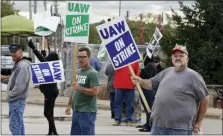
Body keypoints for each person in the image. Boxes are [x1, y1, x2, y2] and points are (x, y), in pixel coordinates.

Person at [131, 44, 209, 135]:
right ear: (171, 58)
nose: (178, 58)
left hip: (180, 129)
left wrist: (198, 122)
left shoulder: (194, 76)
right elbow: (150, 84)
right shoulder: (166, 72)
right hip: (158, 126)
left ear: (187, 59)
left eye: (181, 56)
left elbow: (205, 98)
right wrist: (140, 81)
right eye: (175, 56)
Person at [65, 47, 100, 135]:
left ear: (88, 58)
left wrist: (80, 88)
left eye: (83, 57)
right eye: (79, 57)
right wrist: (69, 104)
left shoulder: (92, 73)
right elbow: (73, 90)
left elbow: (95, 91)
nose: (80, 59)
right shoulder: (77, 72)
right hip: (76, 110)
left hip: (87, 111)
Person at [28, 41, 59, 135]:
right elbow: (44, 60)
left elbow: (42, 59)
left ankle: (54, 131)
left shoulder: (49, 65)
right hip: (53, 91)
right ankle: (51, 132)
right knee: (51, 112)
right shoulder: (54, 66)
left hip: (49, 92)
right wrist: (44, 55)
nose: (47, 57)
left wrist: (33, 48)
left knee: (46, 113)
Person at [1, 44, 31, 135]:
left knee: (14, 126)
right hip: (17, 100)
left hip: (16, 100)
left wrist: (10, 95)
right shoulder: (19, 64)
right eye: (11, 52)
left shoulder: (22, 65)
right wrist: (3, 79)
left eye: (14, 52)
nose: (12, 54)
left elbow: (19, 87)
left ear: (20, 52)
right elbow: (13, 81)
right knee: (19, 124)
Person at [113, 62, 140, 126]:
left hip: (130, 86)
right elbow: (114, 69)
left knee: (130, 104)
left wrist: (135, 80)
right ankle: (117, 119)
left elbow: (138, 73)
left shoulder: (135, 62)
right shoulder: (118, 60)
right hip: (119, 85)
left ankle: (129, 120)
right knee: (117, 103)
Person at [137, 53, 158, 132]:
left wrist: (142, 70)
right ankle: (147, 123)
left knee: (148, 108)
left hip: (148, 90)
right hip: (148, 90)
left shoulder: (150, 66)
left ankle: (149, 125)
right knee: (147, 108)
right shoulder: (151, 65)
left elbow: (147, 76)